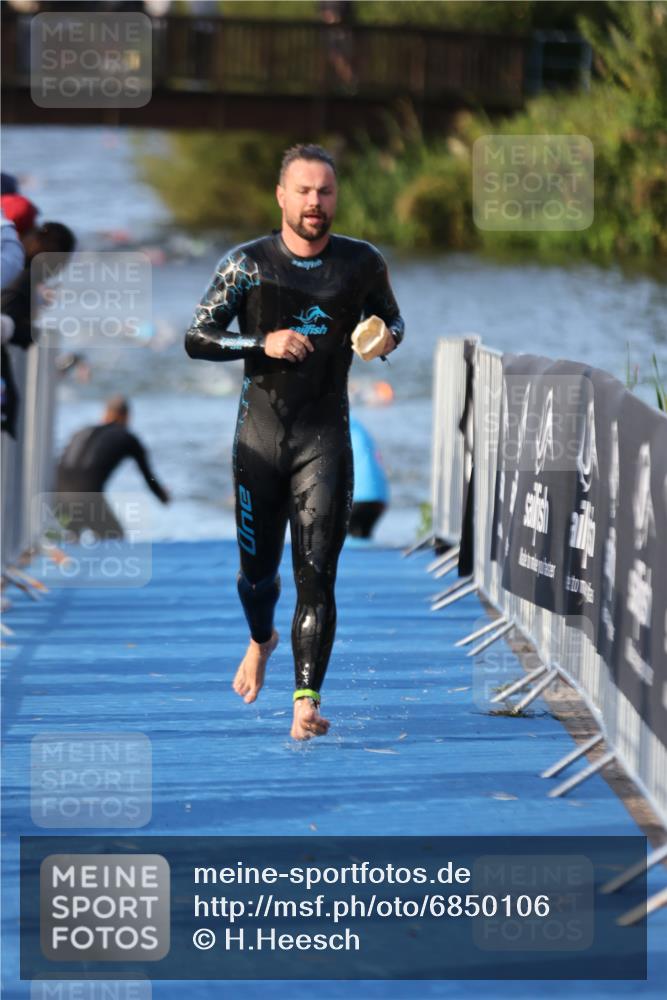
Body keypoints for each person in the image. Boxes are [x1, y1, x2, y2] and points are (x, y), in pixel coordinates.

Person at [185, 143, 404, 741]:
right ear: (281, 196)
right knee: (258, 579)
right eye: (304, 191)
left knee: (318, 576)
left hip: (323, 440)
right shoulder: (247, 265)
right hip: (258, 442)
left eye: (325, 192)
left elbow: (396, 323)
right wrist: (262, 342)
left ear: (337, 197)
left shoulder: (362, 263)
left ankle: (304, 700)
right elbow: (197, 337)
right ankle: (261, 640)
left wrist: (382, 338)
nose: (315, 202)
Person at [54, 395, 170, 539]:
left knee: (73, 535)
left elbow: (60, 463)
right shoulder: (128, 438)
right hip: (88, 499)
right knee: (115, 537)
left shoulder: (81, 431)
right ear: (126, 416)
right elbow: (148, 475)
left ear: (105, 413)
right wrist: (162, 496)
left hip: (56, 496)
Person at [348, 415, 389, 539]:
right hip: (380, 497)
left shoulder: (337, 424)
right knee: (362, 539)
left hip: (358, 497)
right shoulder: (356, 425)